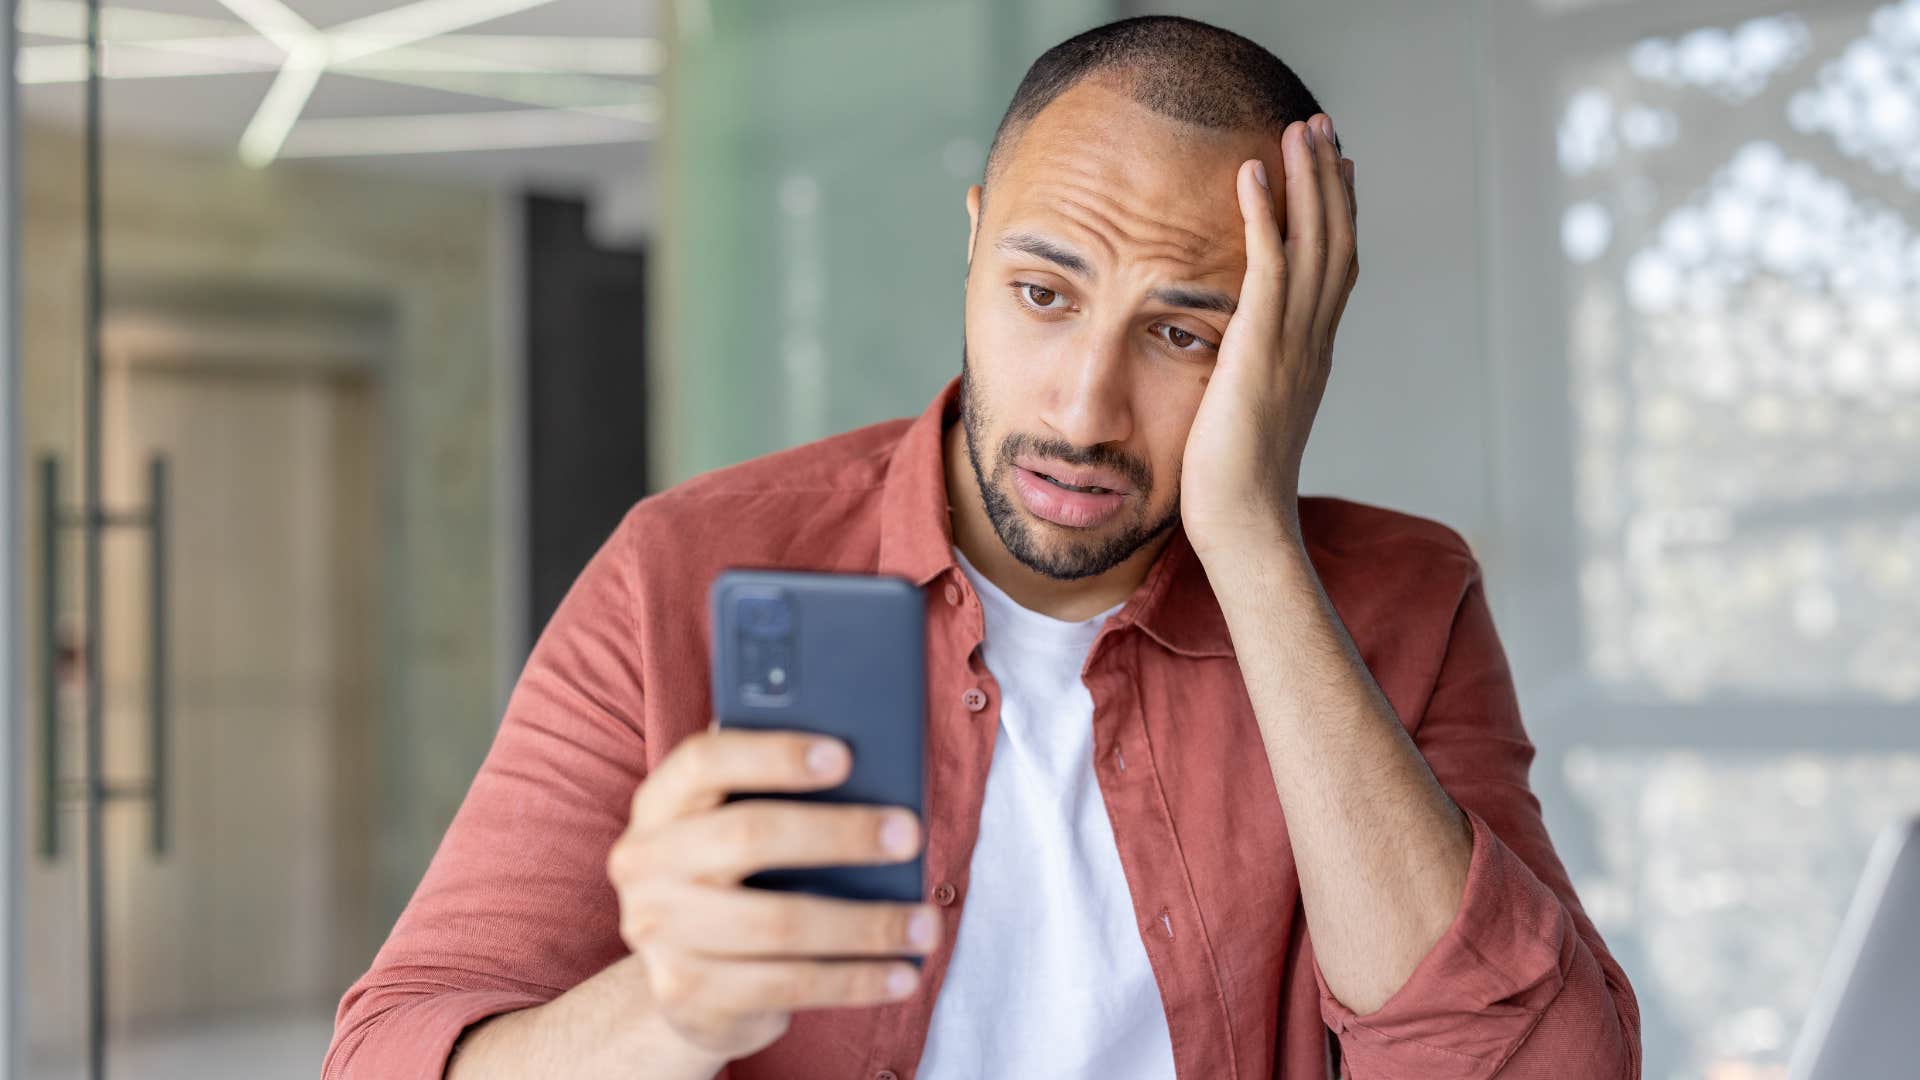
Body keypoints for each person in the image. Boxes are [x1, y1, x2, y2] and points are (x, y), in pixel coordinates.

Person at [326, 15, 1640, 1080]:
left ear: (1283, 342)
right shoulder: (684, 566)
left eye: (1184, 333)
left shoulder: (1400, 600)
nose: (1081, 409)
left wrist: (1250, 536)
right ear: (970, 243)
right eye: (1043, 294)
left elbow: (1536, 1067)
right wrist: (668, 1012)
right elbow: (388, 1055)